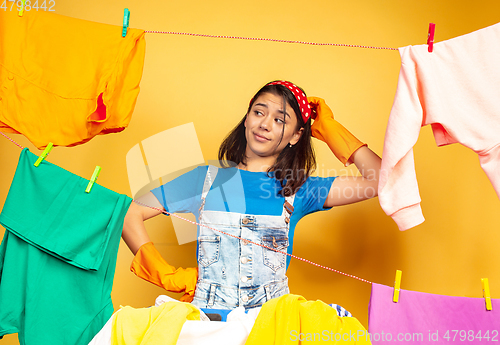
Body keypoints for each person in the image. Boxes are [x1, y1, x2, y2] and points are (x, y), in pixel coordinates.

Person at [121, 80, 381, 310]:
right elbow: (131, 214)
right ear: (247, 118)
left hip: (269, 328)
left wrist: (331, 129)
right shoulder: (204, 180)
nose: (265, 124)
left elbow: (381, 180)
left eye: (280, 119)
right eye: (259, 112)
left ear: (296, 135)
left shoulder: (300, 188)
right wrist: (165, 275)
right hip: (206, 325)